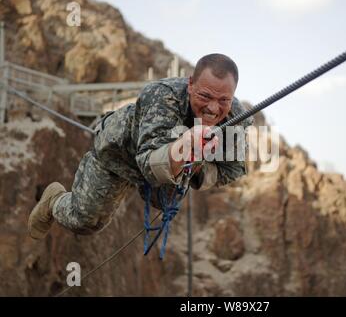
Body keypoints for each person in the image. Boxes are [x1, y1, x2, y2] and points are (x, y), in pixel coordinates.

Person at [28, 53, 253, 239]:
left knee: (165, 201)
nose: (214, 109)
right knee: (86, 222)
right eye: (205, 96)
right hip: (119, 152)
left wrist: (198, 166)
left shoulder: (236, 118)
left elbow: (232, 169)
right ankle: (54, 200)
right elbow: (148, 162)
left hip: (170, 165)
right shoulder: (163, 96)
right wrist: (185, 146)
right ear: (191, 84)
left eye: (224, 100)